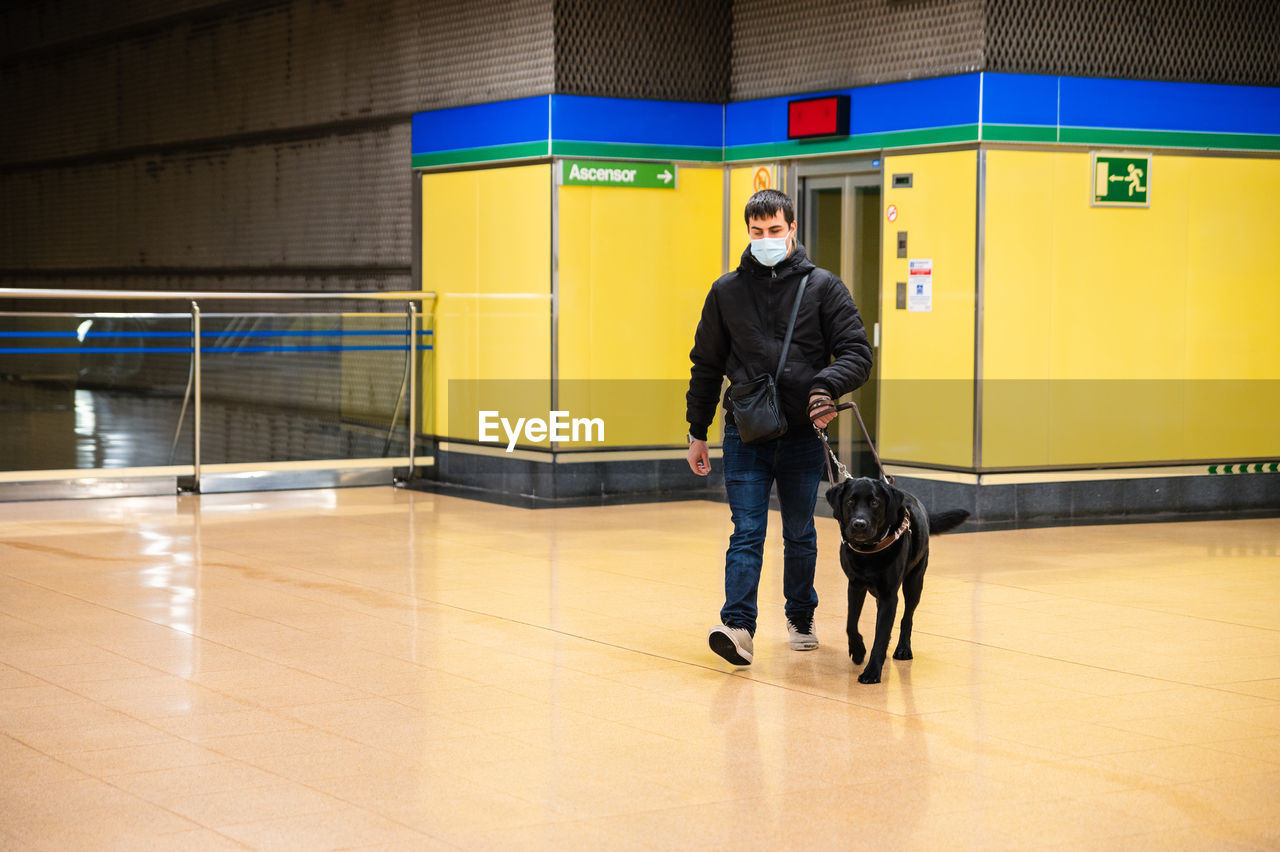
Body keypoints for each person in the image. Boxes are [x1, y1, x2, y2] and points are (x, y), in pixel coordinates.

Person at [686, 188, 873, 666]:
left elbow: (857, 352)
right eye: (757, 232)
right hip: (745, 432)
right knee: (746, 530)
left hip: (800, 435)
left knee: (799, 531)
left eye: (774, 230)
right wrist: (697, 430)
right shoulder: (726, 291)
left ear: (792, 229)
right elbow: (705, 365)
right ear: (747, 232)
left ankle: (800, 614)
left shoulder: (824, 288)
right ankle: (738, 627)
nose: (766, 239)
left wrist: (824, 386)